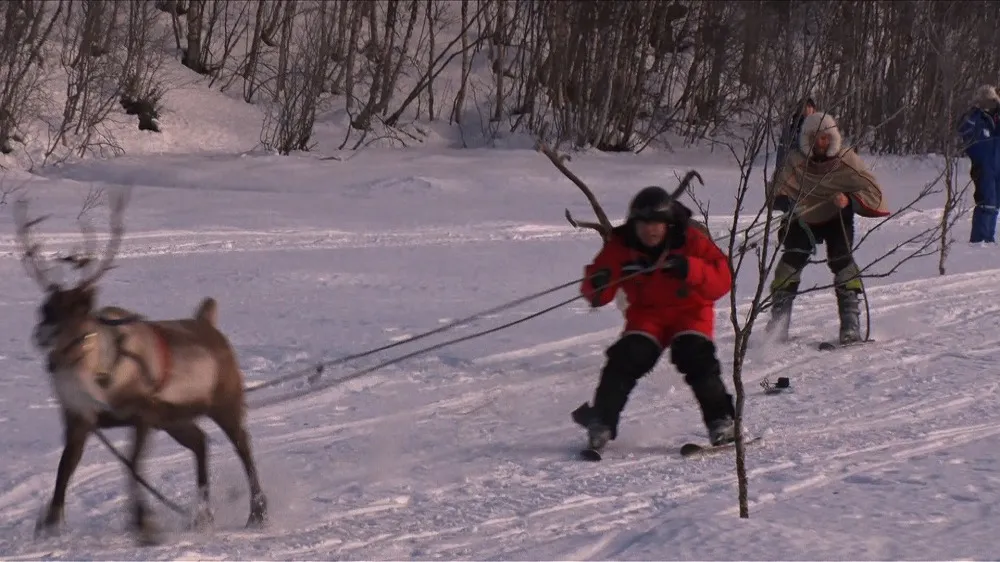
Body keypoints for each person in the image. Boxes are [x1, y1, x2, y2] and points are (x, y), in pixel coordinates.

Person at [570, 186, 737, 450]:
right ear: (634, 225)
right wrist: (598, 284)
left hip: (690, 313)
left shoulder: (691, 240)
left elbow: (722, 280)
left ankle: (722, 421)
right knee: (625, 357)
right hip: (648, 316)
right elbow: (597, 291)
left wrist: (690, 268)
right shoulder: (621, 246)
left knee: (694, 356)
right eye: (644, 224)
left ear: (668, 224)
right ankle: (601, 421)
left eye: (657, 224)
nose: (651, 230)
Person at [765, 111, 889, 345]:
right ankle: (778, 326)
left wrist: (849, 200)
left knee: (842, 261)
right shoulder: (795, 161)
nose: (820, 143)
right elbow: (775, 192)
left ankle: (850, 324)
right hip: (802, 218)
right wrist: (789, 203)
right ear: (806, 139)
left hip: (836, 217)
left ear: (832, 138)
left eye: (825, 137)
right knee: (789, 263)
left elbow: (873, 191)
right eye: (815, 137)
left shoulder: (846, 160)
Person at [957, 85, 1000, 244]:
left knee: (995, 205)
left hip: (997, 167)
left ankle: (988, 239)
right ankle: (979, 240)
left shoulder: (995, 119)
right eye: (987, 101)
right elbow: (963, 129)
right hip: (983, 167)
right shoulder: (977, 119)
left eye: (993, 101)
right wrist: (974, 111)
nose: (990, 104)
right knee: (986, 203)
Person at [775, 96, 817, 174]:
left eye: (809, 106)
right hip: (793, 172)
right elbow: (781, 154)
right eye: (803, 106)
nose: (806, 109)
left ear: (814, 109)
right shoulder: (790, 130)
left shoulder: (819, 129)